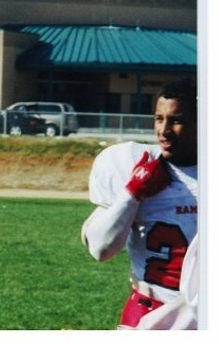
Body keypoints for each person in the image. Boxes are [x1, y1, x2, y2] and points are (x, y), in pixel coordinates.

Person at [81, 77, 198, 330]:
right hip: (150, 312)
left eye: (177, 120)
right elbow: (100, 250)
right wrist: (132, 192)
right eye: (159, 118)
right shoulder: (131, 163)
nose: (164, 130)